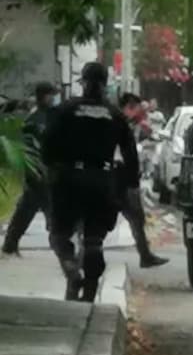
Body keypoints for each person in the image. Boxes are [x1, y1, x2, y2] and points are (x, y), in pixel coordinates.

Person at [41, 63, 140, 301]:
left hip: (69, 179)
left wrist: (54, 170)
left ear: (83, 82)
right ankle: (89, 294)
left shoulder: (66, 109)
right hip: (102, 181)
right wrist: (128, 184)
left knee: (59, 234)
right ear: (105, 84)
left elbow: (47, 145)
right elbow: (130, 154)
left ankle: (70, 267)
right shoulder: (115, 115)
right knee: (94, 238)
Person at [2, 82, 59, 256]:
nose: (54, 98)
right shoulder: (34, 119)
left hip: (44, 170)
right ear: (44, 96)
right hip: (38, 169)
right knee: (49, 207)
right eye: (51, 95)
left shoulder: (49, 115)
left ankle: (10, 244)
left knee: (28, 207)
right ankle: (60, 244)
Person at [116, 93, 169, 269]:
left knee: (136, 219)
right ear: (130, 107)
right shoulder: (119, 123)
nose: (143, 112)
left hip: (125, 178)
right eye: (140, 108)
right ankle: (145, 256)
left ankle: (145, 255)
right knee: (134, 217)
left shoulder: (130, 124)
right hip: (121, 178)